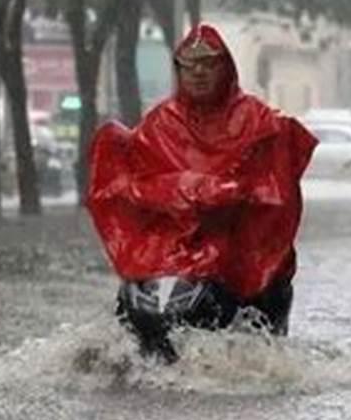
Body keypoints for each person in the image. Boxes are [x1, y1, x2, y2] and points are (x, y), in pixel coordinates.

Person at [85, 23, 318, 360]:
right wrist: (183, 190)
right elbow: (133, 182)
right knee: (127, 317)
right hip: (175, 255)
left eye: (209, 64)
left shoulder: (259, 121)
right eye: (189, 65)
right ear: (178, 70)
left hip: (241, 253)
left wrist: (233, 194)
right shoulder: (160, 123)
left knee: (262, 331)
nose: (198, 73)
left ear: (226, 68)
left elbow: (277, 188)